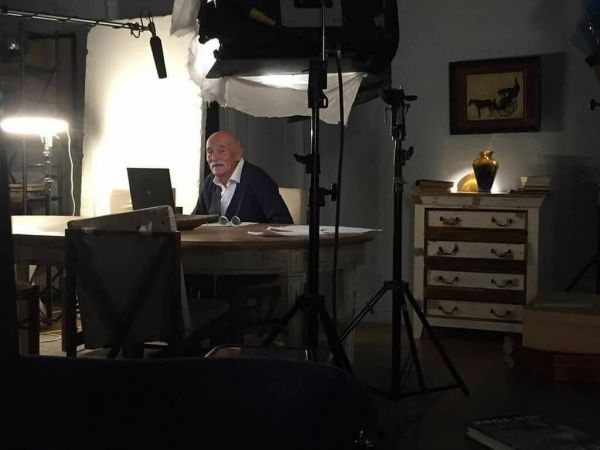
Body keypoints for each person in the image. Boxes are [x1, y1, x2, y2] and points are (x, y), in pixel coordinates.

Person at [193, 131, 293, 224]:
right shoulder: (209, 183)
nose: (214, 158)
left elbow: (283, 223)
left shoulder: (258, 179)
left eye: (222, 151)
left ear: (238, 154)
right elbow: (196, 220)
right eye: (209, 152)